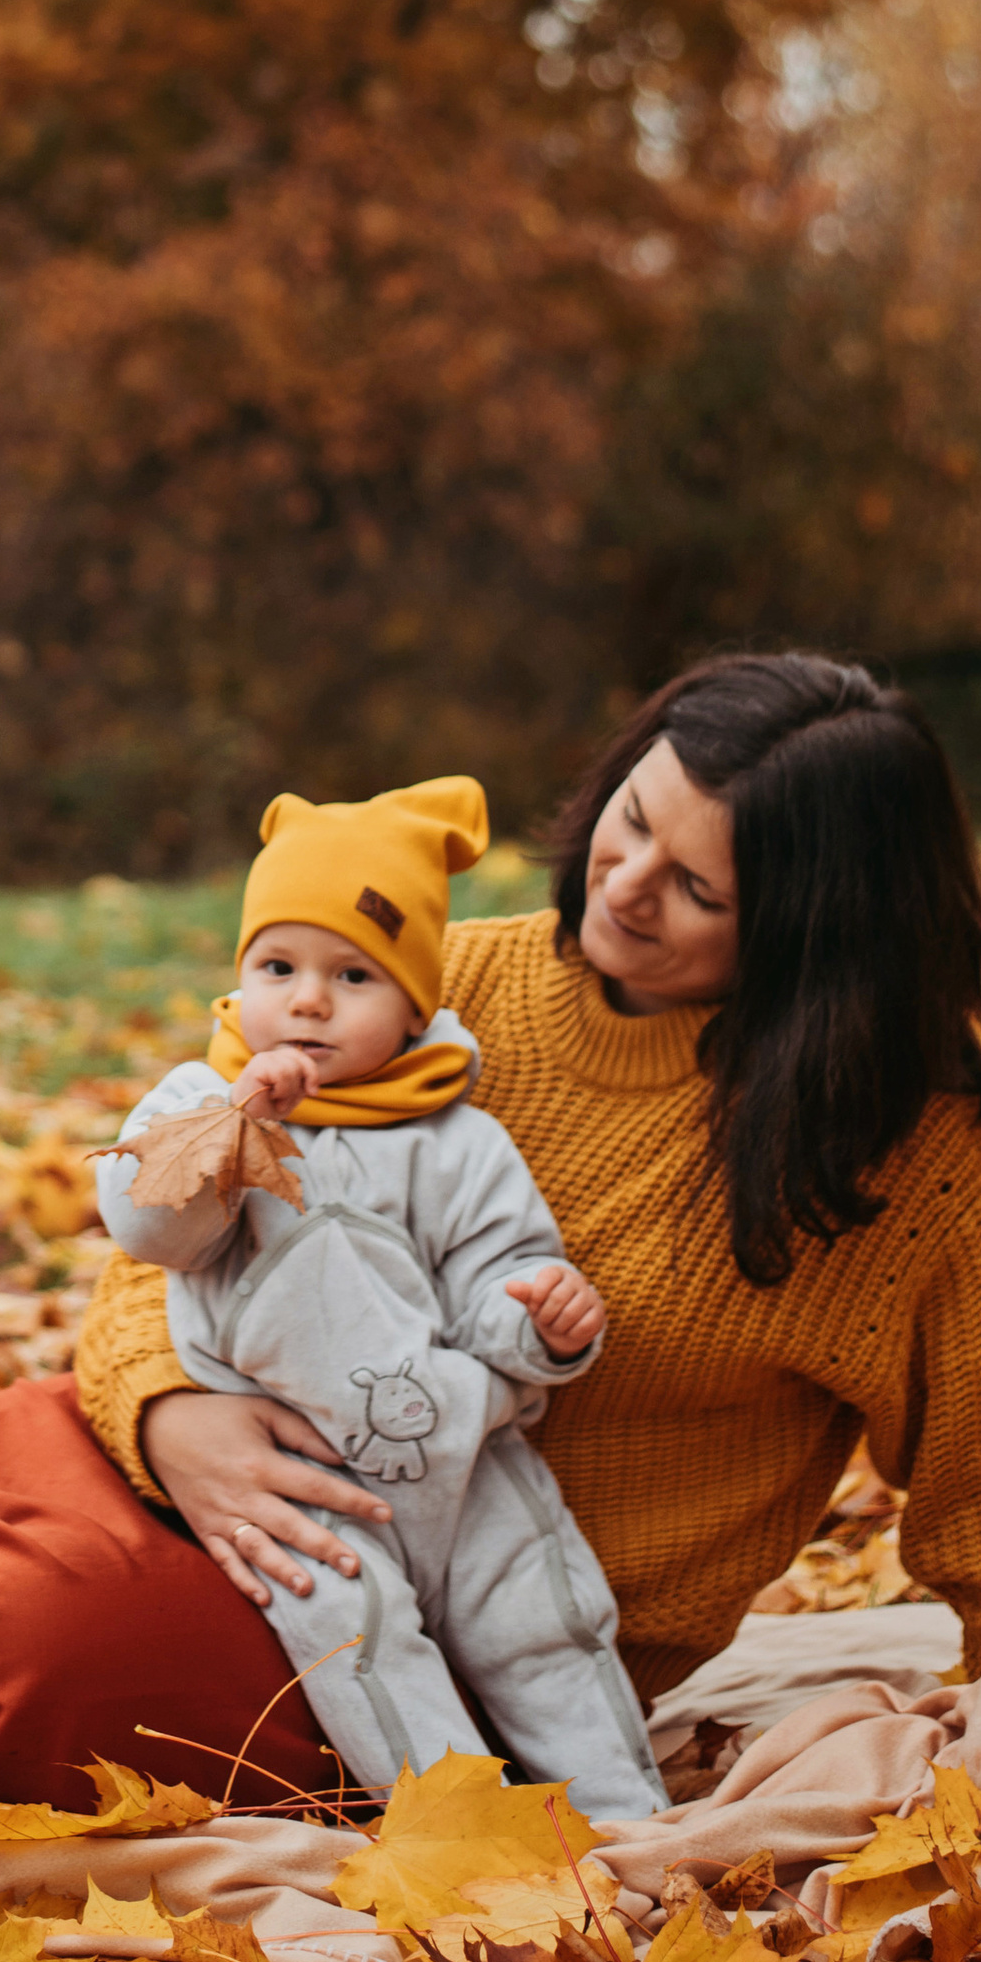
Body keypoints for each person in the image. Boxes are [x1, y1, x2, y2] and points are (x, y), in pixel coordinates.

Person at [0, 655, 981, 1810]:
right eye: (631, 823)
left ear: (810, 933)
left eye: (696, 887)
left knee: (13, 1655)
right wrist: (178, 1422)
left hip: (415, 1624)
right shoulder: (449, 983)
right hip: (191, 1459)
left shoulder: (900, 1163)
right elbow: (163, 1224)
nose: (625, 887)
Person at [97, 773, 667, 1814]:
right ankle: (457, 1833)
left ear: (413, 1006)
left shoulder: (454, 1138)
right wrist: (231, 1127)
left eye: (351, 976)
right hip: (297, 1469)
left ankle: (632, 1828)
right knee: (355, 1640)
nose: (306, 1000)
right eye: (278, 966)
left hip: (462, 1457)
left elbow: (499, 1271)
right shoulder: (197, 1099)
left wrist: (540, 1316)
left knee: (544, 1626)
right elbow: (146, 1228)